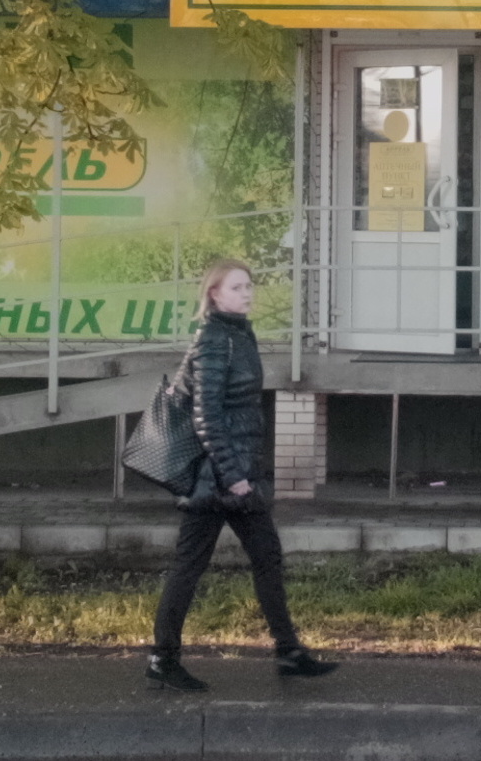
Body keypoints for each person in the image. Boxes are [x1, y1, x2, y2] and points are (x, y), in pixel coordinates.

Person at [145, 259, 339, 692]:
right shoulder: (215, 339)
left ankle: (288, 652)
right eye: (237, 287)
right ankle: (163, 658)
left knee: (265, 556)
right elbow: (206, 414)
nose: (247, 293)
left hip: (235, 473)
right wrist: (233, 476)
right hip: (219, 478)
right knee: (191, 566)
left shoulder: (237, 335)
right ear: (214, 294)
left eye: (249, 286)